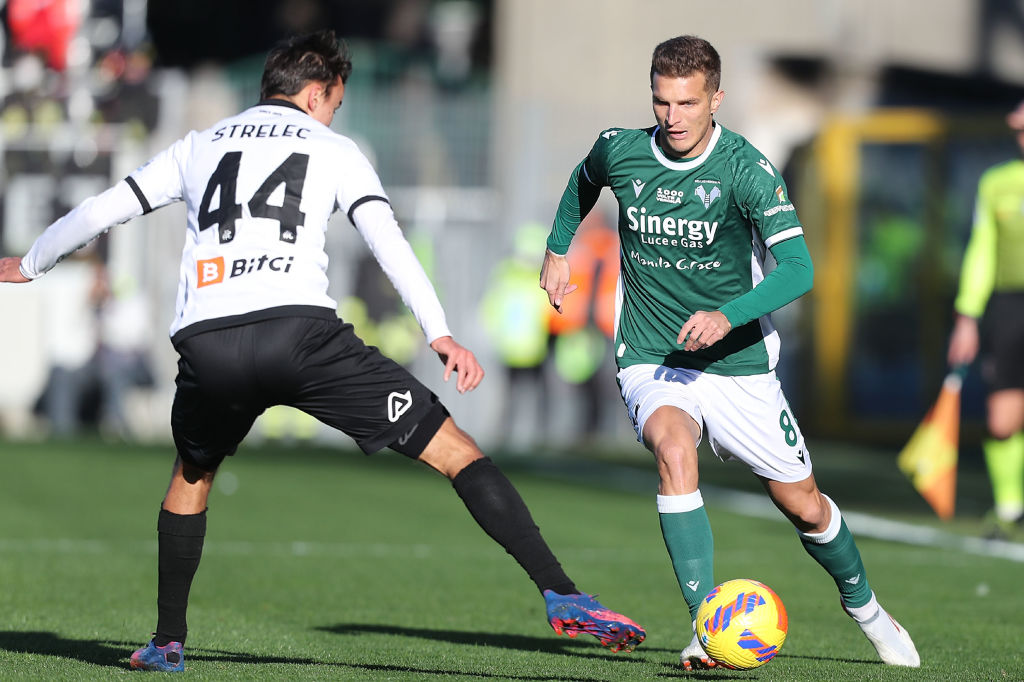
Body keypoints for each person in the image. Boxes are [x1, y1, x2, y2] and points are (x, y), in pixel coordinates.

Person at [0, 30, 644, 672]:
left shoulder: (197, 147)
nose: (335, 112)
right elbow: (388, 241)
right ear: (314, 94)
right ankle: (561, 593)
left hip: (210, 341)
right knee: (455, 452)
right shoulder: (334, 148)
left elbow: (100, 211)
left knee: (191, 475)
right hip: (300, 336)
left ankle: (168, 641)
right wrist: (438, 331)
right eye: (335, 101)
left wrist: (30, 265)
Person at [539, 35, 919, 669]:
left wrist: (727, 316)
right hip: (653, 352)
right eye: (662, 102)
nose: (673, 118)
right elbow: (585, 180)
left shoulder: (745, 168)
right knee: (673, 447)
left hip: (738, 363)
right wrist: (556, 249)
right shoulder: (621, 149)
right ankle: (705, 627)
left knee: (804, 504)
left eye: (688, 104)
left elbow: (798, 270)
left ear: (716, 98)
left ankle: (868, 610)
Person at [947, 100, 1024, 540]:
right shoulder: (997, 182)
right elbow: (982, 249)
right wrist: (967, 316)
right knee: (1002, 421)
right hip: (1010, 306)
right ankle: (1011, 508)